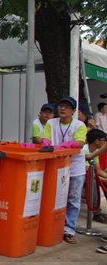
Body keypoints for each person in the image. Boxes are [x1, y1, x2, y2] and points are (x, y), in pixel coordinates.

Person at [41, 96, 86, 244]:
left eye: (67, 107)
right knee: (54, 197)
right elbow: (45, 138)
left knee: (73, 198)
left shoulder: (79, 125)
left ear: (73, 111)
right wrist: (46, 142)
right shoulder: (51, 123)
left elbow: (80, 142)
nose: (62, 109)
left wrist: (67, 145)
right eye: (61, 106)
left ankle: (69, 229)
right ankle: (52, 226)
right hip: (55, 166)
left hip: (74, 167)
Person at [82, 129, 107, 228]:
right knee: (92, 182)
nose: (104, 142)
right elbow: (89, 174)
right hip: (83, 176)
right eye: (103, 140)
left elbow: (99, 171)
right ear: (97, 141)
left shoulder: (94, 151)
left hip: (91, 174)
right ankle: (97, 213)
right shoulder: (84, 150)